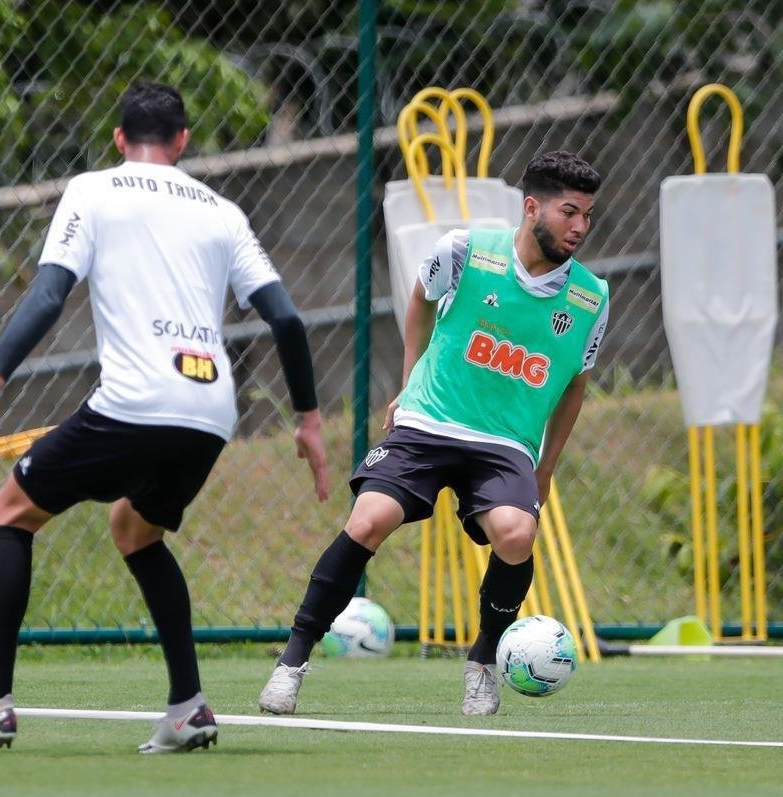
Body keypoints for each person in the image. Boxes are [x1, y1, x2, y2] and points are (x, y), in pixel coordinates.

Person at [0, 81, 329, 753]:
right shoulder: (222, 210)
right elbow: (285, 316)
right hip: (210, 411)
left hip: (135, 401)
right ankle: (189, 705)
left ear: (117, 139)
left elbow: (49, 294)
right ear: (183, 141)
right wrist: (308, 420)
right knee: (134, 529)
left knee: (9, 512)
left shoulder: (93, 190)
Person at [259, 150, 607, 717]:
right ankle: (292, 662)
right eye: (569, 212)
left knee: (517, 536)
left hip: (505, 445)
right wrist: (409, 381)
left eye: (588, 215)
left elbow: (575, 385)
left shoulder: (592, 298)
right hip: (428, 420)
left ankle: (481, 663)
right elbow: (421, 297)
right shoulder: (465, 250)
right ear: (531, 207)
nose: (579, 227)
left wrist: (545, 467)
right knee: (368, 520)